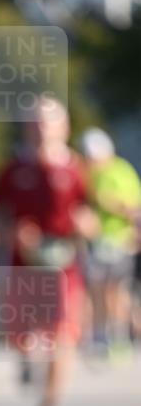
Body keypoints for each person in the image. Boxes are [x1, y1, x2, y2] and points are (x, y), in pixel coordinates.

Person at [0, 96, 96, 406]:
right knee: (22, 338)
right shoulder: (11, 170)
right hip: (24, 266)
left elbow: (92, 217)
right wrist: (11, 234)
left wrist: (85, 225)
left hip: (63, 267)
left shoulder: (76, 170)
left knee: (61, 339)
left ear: (62, 128)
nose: (41, 130)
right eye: (34, 123)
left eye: (47, 123)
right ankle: (24, 359)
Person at [79, 128, 141, 360]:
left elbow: (133, 208)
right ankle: (99, 335)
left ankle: (118, 335)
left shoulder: (121, 171)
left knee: (116, 289)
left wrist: (109, 203)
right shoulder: (86, 172)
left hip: (120, 240)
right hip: (95, 241)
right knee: (96, 289)